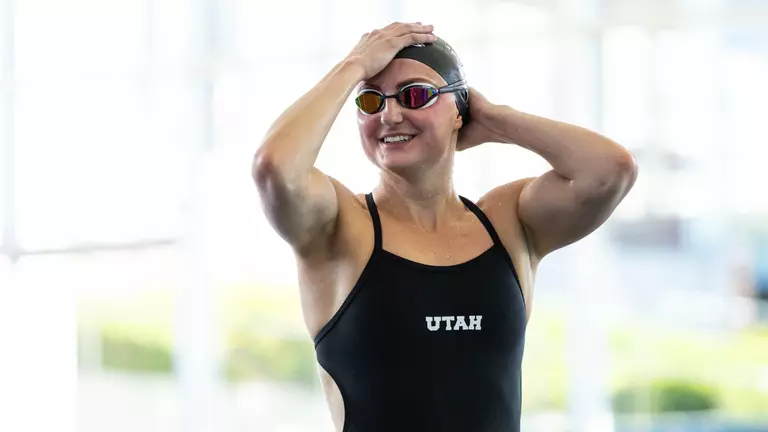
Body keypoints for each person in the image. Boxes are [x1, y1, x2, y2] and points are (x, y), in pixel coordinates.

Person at [252, 22, 637, 432]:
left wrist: (497, 118)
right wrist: (353, 66)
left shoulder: (508, 223)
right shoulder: (340, 228)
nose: (390, 114)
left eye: (415, 95)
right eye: (370, 100)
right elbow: (276, 167)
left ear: (460, 113)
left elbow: (609, 171)